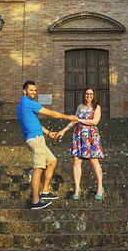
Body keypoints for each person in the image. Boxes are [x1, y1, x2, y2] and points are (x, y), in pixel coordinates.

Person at [16, 80, 78, 210]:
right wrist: (68, 117)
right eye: (31, 90)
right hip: (35, 140)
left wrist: (49, 133)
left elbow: (35, 122)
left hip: (37, 138)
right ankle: (35, 201)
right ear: (24, 91)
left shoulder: (22, 105)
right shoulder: (28, 103)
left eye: (35, 90)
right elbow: (51, 113)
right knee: (38, 169)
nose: (34, 92)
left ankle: (44, 192)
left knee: (52, 161)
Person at [56, 88, 105, 200]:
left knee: (94, 161)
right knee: (76, 161)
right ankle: (77, 189)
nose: (89, 96)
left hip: (91, 135)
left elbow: (95, 121)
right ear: (84, 95)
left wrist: (80, 120)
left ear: (94, 95)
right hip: (78, 135)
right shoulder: (80, 107)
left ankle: (100, 188)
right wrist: (63, 130)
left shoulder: (97, 107)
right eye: (87, 94)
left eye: (91, 94)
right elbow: (74, 120)